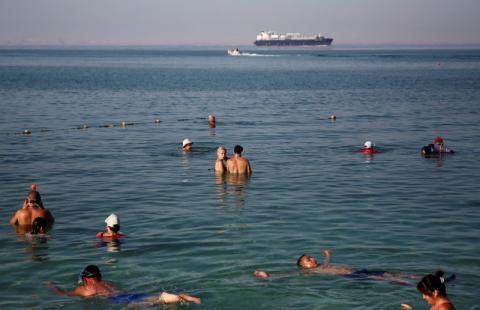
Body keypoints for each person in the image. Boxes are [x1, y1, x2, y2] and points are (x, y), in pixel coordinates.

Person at [47, 265, 201, 304]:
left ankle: (170, 298)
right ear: (99, 276)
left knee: (145, 304)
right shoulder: (107, 283)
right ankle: (175, 297)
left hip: (120, 300)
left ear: (86, 279)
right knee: (153, 299)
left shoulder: (87, 288)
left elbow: (64, 295)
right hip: (128, 293)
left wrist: (53, 286)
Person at [254, 249, 416, 283]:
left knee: (388, 272)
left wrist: (328, 256)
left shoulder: (320, 266)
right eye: (309, 259)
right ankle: (407, 282)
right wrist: (270, 275)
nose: (312, 259)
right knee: (383, 278)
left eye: (311, 257)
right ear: (305, 266)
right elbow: (291, 274)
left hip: (358, 271)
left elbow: (326, 264)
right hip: (353, 276)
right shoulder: (311, 272)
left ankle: (415, 277)